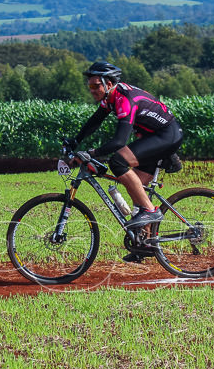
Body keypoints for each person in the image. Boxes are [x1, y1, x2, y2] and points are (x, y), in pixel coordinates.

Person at [67, 61, 183, 257]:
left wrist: (91, 153)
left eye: (96, 86)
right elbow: (95, 121)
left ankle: (150, 211)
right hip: (151, 137)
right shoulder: (111, 97)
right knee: (135, 186)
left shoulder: (125, 99)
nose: (92, 90)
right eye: (90, 86)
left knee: (118, 162)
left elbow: (119, 141)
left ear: (109, 84)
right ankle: (145, 245)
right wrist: (74, 140)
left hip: (166, 136)